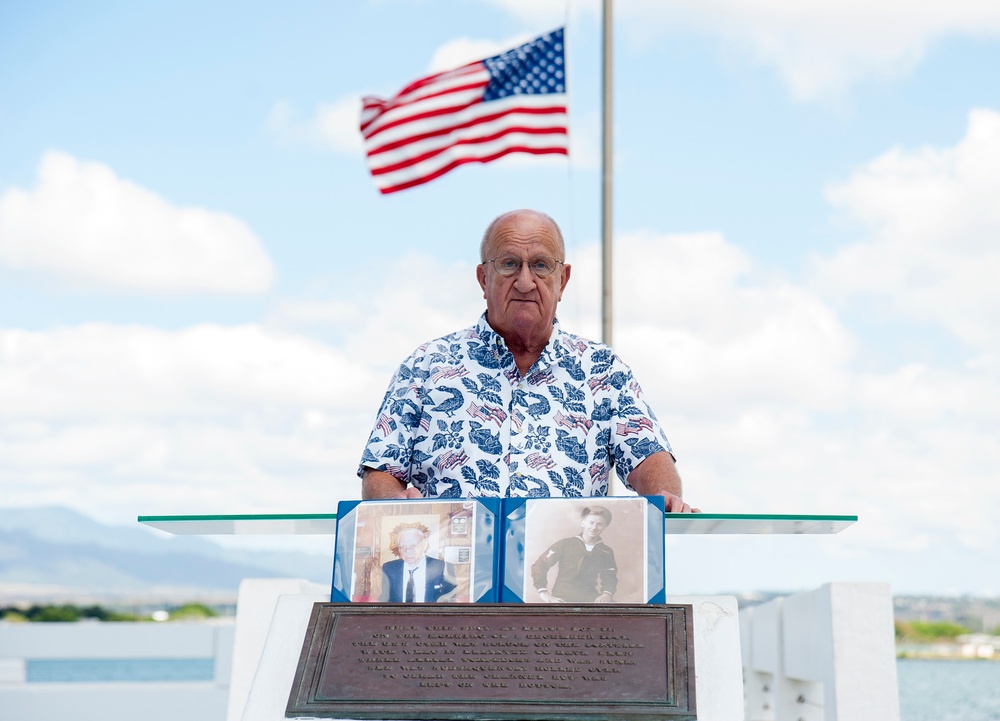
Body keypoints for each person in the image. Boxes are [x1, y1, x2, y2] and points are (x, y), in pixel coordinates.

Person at [359, 209, 696, 512]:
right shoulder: (425, 366)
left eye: (540, 265)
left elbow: (649, 456)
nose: (524, 281)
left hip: (562, 577)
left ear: (562, 280)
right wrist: (391, 505)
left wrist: (664, 496)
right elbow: (382, 470)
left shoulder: (603, 370)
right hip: (451, 577)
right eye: (508, 264)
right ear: (483, 279)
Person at [531, 506, 617, 603]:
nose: (594, 527)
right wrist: (543, 592)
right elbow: (540, 565)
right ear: (583, 522)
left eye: (599, 524)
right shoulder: (565, 544)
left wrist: (607, 593)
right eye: (591, 522)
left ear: (605, 526)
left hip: (589, 596)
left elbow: (610, 576)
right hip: (563, 596)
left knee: (617, 612)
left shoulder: (606, 551)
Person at [378, 523, 457, 603]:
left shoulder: (442, 567)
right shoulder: (389, 568)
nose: (408, 551)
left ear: (425, 545)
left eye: (413, 546)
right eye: (403, 547)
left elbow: (450, 600)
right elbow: (385, 598)